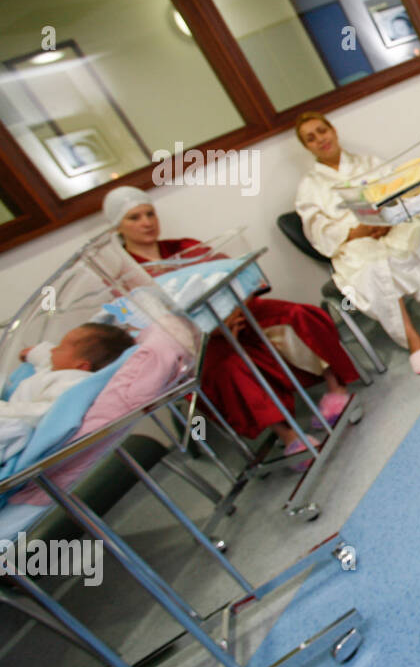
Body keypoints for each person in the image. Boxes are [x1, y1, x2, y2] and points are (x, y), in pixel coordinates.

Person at [103, 186, 360, 464]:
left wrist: (235, 311)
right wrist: (211, 329)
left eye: (149, 213)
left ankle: (335, 389)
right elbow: (151, 328)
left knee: (297, 315)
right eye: (134, 217)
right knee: (228, 368)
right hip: (197, 340)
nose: (147, 222)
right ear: (118, 226)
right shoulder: (124, 279)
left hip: (238, 312)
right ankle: (288, 436)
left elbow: (239, 275)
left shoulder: (186, 247)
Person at [293, 111, 420, 374]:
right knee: (371, 268)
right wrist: (356, 231)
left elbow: (399, 189)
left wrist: (387, 220)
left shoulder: (369, 162)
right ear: (306, 147)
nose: (320, 139)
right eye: (311, 138)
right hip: (353, 241)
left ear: (333, 130)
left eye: (322, 131)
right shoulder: (309, 187)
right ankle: (412, 339)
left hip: (391, 223)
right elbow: (316, 229)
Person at [1, 324, 135, 463]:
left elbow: (39, 413)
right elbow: (46, 359)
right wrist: (33, 352)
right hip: (10, 412)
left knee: (16, 429)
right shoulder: (63, 368)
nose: (53, 349)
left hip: (15, 423)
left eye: (60, 347)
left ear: (81, 366)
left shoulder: (72, 382)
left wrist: (4, 409)